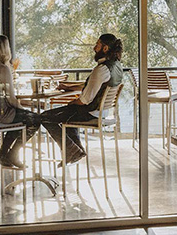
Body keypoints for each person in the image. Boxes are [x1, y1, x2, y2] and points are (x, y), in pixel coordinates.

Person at [40, 33, 124, 164]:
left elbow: (84, 100)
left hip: (90, 113)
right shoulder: (117, 67)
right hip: (102, 113)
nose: (94, 48)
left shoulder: (101, 69)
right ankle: (76, 150)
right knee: (68, 113)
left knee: (45, 116)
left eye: (97, 45)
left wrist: (72, 102)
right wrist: (70, 87)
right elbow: (94, 86)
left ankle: (72, 151)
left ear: (105, 48)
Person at [0, 35, 40, 169]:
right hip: (1, 115)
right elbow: (11, 99)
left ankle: (3, 153)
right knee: (35, 119)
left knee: (22, 119)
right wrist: (23, 109)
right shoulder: (2, 69)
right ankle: (11, 154)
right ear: (4, 49)